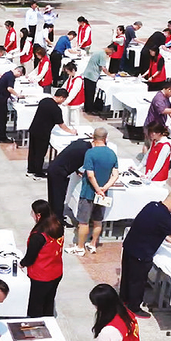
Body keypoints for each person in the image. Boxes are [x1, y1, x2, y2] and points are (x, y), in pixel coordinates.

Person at [65, 127, 118, 256]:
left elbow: (90, 174)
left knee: (83, 222)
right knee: (98, 220)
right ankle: (93, 244)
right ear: (105, 138)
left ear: (93, 137)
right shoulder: (112, 154)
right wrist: (104, 188)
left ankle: (80, 247)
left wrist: (97, 189)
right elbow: (115, 175)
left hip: (88, 192)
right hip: (103, 195)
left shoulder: (90, 153)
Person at [20, 200, 64, 317]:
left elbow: (30, 257)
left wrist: (21, 264)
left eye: (33, 212)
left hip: (41, 275)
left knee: (35, 305)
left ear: (38, 215)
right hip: (56, 271)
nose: (32, 215)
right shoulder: (58, 226)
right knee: (49, 302)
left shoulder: (38, 235)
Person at [27, 89, 76, 179]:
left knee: (32, 150)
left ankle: (30, 169)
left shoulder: (44, 101)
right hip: (43, 133)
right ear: (61, 97)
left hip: (34, 129)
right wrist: (71, 131)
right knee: (40, 152)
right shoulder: (56, 109)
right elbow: (61, 124)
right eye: (64, 99)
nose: (63, 102)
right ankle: (38, 172)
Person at [48, 138, 92, 225]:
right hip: (59, 173)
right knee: (58, 197)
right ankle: (58, 221)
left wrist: (76, 170)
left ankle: (53, 217)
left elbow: (71, 158)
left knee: (53, 196)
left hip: (54, 168)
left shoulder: (80, 143)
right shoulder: (87, 152)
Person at [0, 67, 25, 143]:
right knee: (2, 118)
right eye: (20, 75)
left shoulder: (7, 74)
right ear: (18, 71)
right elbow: (9, 88)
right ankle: (2, 137)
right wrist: (17, 95)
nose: (18, 77)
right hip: (1, 99)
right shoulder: (11, 77)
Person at [83, 44, 116, 115]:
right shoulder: (103, 55)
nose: (111, 54)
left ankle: (86, 107)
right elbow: (103, 68)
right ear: (111, 49)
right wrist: (110, 75)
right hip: (92, 75)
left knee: (87, 92)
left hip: (87, 74)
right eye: (112, 52)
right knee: (90, 93)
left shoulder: (99, 51)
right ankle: (89, 109)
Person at [62, 61, 85, 126]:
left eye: (68, 71)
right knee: (69, 120)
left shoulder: (78, 80)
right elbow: (65, 86)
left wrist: (66, 102)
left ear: (72, 70)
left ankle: (75, 130)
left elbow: (73, 92)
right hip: (70, 102)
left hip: (75, 102)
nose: (67, 73)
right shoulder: (71, 77)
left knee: (74, 120)